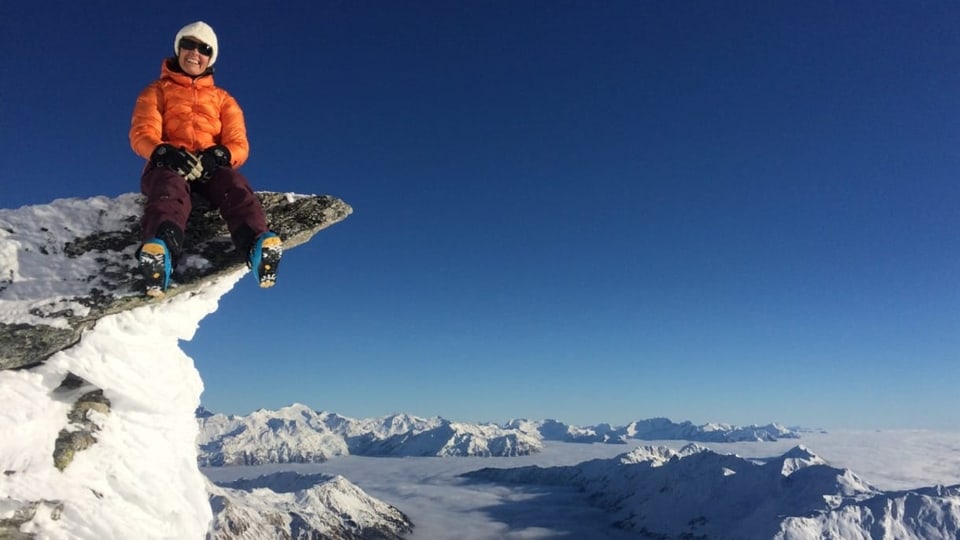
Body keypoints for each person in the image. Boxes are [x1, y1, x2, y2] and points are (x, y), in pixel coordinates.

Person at [129, 21, 282, 297]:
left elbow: (239, 144)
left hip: (210, 167)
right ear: (178, 49)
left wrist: (220, 155)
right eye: (188, 44)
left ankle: (258, 246)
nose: (194, 52)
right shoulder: (156, 91)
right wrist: (163, 152)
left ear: (211, 57)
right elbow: (142, 132)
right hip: (170, 164)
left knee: (235, 185)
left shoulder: (224, 100)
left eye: (204, 48)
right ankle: (160, 253)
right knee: (168, 190)